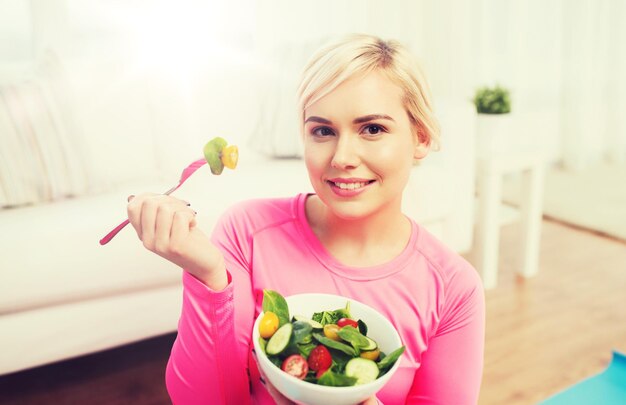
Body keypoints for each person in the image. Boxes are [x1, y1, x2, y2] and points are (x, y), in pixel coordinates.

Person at [127, 33, 485, 404]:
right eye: (323, 131)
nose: (342, 156)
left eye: (373, 129)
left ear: (421, 137)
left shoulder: (454, 290)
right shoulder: (246, 231)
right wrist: (210, 278)